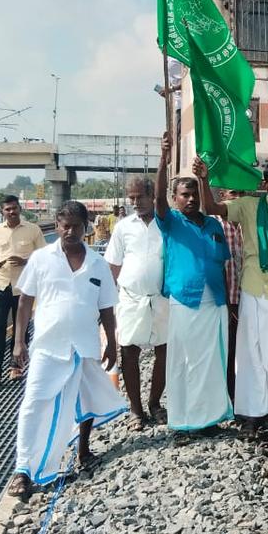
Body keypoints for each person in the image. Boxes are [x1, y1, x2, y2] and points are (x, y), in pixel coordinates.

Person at [6, 200, 126, 499]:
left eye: (75, 225)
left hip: (84, 344)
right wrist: (19, 341)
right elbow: (24, 302)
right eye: (64, 225)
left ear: (87, 227)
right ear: (57, 226)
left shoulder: (98, 265)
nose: (69, 230)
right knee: (33, 402)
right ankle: (23, 469)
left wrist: (111, 342)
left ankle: (83, 450)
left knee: (84, 397)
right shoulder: (42, 258)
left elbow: (107, 308)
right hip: (47, 345)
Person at [193, 153, 268, 438]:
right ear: (265, 185)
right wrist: (203, 179)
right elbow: (210, 207)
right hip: (254, 288)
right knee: (250, 354)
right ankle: (252, 413)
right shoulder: (247, 206)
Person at [156, 138, 232, 432]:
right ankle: (184, 422)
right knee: (184, 363)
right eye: (184, 195)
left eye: (193, 195)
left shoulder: (213, 225)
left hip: (214, 302)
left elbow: (222, 262)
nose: (190, 199)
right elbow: (157, 203)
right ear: (175, 198)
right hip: (185, 301)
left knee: (212, 364)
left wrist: (204, 179)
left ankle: (209, 418)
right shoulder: (171, 221)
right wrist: (163, 159)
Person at [103, 177, 168, 431]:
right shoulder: (123, 227)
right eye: (131, 198)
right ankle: (135, 410)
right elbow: (113, 265)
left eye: (140, 197)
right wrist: (108, 304)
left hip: (162, 299)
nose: (135, 202)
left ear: (152, 196)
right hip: (130, 298)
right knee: (129, 350)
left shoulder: (167, 224)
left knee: (164, 350)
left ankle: (154, 403)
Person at [0, 195, 48, 387]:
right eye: (7, 209)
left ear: (20, 209)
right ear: (2, 212)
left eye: (14, 208)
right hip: (0, 283)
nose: (12, 212)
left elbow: (43, 254)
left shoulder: (33, 230)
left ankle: (16, 367)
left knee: (22, 327)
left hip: (24, 286)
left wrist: (26, 261)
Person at [214, 187, 245, 400]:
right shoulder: (213, 225)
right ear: (223, 197)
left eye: (242, 194)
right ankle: (225, 396)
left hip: (248, 298)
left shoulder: (250, 225)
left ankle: (240, 396)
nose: (238, 199)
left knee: (244, 351)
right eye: (233, 193)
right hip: (223, 300)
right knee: (224, 349)